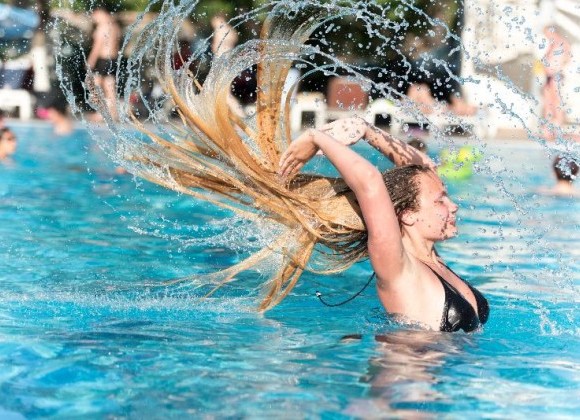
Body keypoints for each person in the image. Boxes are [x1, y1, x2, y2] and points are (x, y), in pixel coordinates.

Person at [279, 117, 489, 332]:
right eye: (440, 201)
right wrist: (315, 137)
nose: (453, 206)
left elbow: (425, 170)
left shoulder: (432, 259)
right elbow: (369, 182)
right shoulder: (396, 265)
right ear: (408, 215)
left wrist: (367, 131)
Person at [86, 6, 121, 121]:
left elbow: (97, 46)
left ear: (100, 13)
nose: (93, 19)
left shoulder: (102, 27)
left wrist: (91, 61)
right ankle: (113, 113)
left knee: (95, 85)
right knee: (110, 86)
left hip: (103, 59)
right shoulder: (115, 26)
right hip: (113, 59)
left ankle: (101, 112)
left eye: (94, 16)